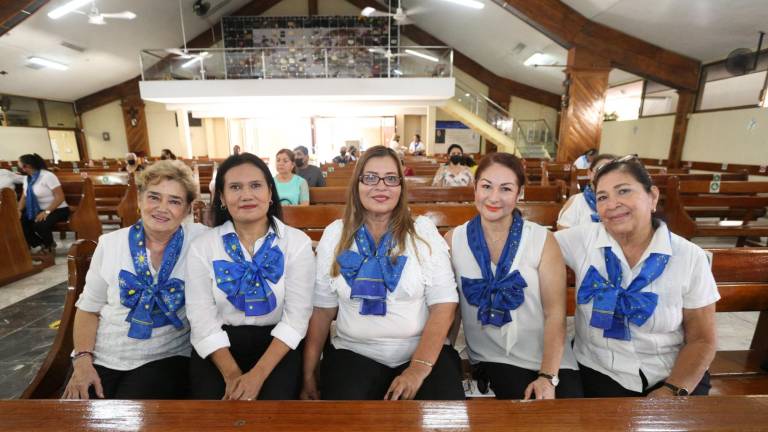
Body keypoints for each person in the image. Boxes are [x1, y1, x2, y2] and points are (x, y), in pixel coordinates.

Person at [301, 145, 465, 401]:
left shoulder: (423, 232)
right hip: (354, 352)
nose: (381, 186)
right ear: (357, 184)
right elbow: (322, 310)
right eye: (370, 178)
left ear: (401, 187)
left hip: (421, 351)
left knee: (443, 417)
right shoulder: (335, 234)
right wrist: (308, 372)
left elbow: (444, 305)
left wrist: (418, 369)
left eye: (390, 178)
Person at [554, 156, 719, 398]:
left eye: (624, 191)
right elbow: (528, 245)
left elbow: (702, 339)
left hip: (670, 371)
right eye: (602, 197)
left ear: (652, 196)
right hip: (598, 369)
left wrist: (672, 389)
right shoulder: (582, 239)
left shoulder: (689, 256)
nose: (612, 204)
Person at [62, 160, 208, 399]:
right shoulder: (110, 244)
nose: (162, 208)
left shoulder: (201, 241)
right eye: (154, 197)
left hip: (164, 357)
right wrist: (82, 359)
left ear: (187, 209)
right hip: (100, 354)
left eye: (174, 201)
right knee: (79, 414)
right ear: (140, 200)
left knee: (128, 413)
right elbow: (88, 309)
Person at [445, 152, 582, 400]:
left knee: (573, 413)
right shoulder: (455, 240)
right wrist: (442, 359)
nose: (494, 197)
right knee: (525, 412)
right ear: (475, 188)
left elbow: (555, 314)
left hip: (550, 357)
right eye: (486, 186)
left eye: (506, 189)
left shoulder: (542, 240)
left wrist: (547, 376)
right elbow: (449, 309)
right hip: (493, 357)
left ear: (519, 193)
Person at [185, 153, 315, 400]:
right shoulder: (203, 247)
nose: (246, 195)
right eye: (235, 187)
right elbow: (201, 317)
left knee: (272, 415)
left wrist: (257, 375)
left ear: (269, 192)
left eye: (255, 185)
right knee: (215, 415)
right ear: (222, 197)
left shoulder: (296, 243)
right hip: (218, 346)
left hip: (278, 344)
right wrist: (233, 375)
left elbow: (297, 317)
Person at [17, 154, 70, 256]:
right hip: (38, 209)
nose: (20, 168)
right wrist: (18, 210)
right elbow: (24, 197)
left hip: (58, 209)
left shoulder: (47, 176)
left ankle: (49, 246)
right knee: (19, 222)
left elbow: (60, 197)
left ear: (27, 166)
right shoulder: (27, 179)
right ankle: (40, 244)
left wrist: (47, 212)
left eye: (20, 165)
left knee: (39, 224)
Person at [556, 154, 615, 230]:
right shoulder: (577, 201)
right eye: (600, 170)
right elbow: (563, 235)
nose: (605, 175)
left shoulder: (621, 204)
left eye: (612, 171)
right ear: (589, 174)